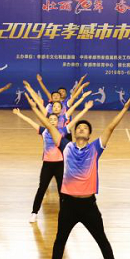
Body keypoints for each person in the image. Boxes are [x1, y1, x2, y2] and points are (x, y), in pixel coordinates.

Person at [41, 90, 130, 259]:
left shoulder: (95, 148)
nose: (82, 129)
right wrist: (36, 109)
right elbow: (50, 127)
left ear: (89, 134)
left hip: (89, 205)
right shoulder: (65, 146)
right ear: (74, 133)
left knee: (102, 239)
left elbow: (110, 127)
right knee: (60, 239)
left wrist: (125, 109)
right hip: (68, 204)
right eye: (79, 127)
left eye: (85, 128)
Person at [14, 90, 94, 223]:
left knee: (62, 190)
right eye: (50, 120)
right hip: (47, 165)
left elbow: (75, 120)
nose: (52, 121)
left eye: (54, 120)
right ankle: (34, 212)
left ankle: (65, 213)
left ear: (58, 121)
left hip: (60, 164)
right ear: (47, 121)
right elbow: (30, 121)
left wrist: (85, 109)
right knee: (42, 188)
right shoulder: (43, 131)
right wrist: (20, 114)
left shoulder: (62, 131)